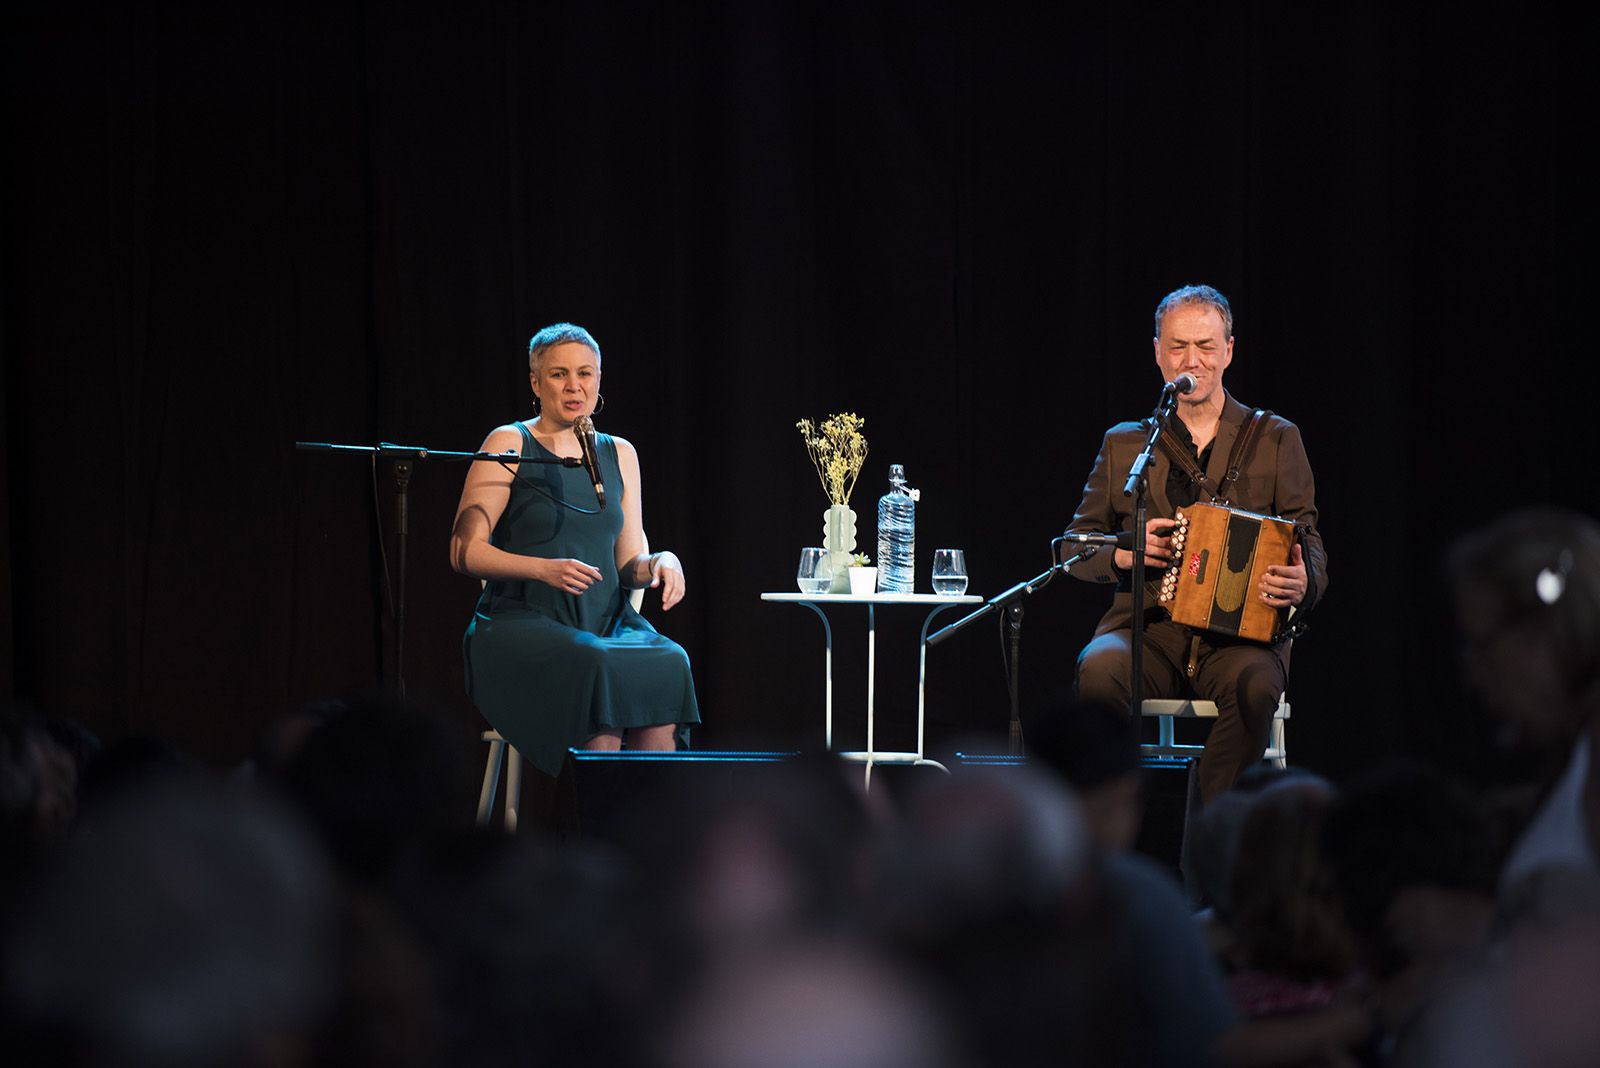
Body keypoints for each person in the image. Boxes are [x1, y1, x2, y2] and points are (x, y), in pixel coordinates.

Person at [1065, 285, 1327, 802]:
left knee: (1255, 688)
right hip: (1149, 628)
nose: (1193, 361)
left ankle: (1206, 841)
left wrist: (1304, 580)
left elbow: (1310, 542)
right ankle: (1109, 823)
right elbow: (1075, 545)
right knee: (1099, 669)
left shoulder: (1276, 437)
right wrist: (1124, 553)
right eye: (1179, 346)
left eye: (1206, 346)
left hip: (1239, 638)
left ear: (1229, 350)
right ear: (1159, 352)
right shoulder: (1126, 444)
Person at [451, 323, 700, 781]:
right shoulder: (508, 442)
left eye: (585, 374)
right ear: (535, 382)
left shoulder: (619, 453)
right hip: (520, 620)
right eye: (559, 374)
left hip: (605, 621)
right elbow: (464, 552)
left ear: (599, 379)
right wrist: (541, 569)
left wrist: (663, 561)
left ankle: (649, 834)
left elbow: (628, 565)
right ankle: (591, 832)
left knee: (670, 660)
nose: (574, 386)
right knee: (594, 662)